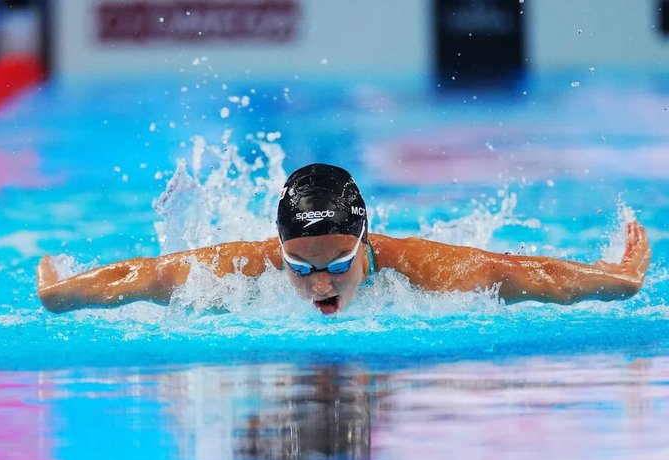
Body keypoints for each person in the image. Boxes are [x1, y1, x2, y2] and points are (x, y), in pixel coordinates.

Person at [37, 163, 651, 315]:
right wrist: (61, 292)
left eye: (338, 265)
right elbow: (146, 274)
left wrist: (618, 280)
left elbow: (520, 272)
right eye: (300, 270)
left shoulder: (428, 271)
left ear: (364, 244)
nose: (321, 285)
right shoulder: (239, 269)